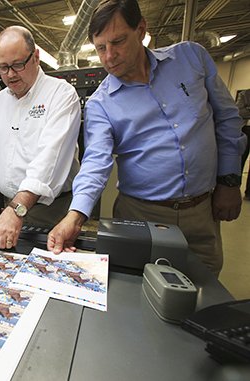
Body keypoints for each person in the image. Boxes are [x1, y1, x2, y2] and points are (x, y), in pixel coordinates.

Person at [47, 0, 245, 277]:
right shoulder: (100, 104)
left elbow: (227, 119)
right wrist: (75, 216)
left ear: (141, 30)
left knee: (205, 286)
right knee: (136, 291)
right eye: (100, 48)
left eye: (118, 42)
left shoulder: (190, 58)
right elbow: (96, 163)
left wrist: (229, 180)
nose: (109, 56)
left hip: (202, 210)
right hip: (141, 216)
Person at [0, 26, 81, 254]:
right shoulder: (0, 101)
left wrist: (16, 210)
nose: (10, 74)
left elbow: (49, 159)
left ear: (36, 57)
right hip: (11, 204)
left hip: (50, 209)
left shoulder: (61, 95)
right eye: (3, 67)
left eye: (18, 64)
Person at [236, 89, 250, 199]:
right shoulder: (245, 94)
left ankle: (249, 193)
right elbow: (239, 111)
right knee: (240, 160)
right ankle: (235, 187)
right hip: (247, 130)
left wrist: (248, 108)